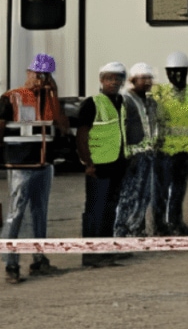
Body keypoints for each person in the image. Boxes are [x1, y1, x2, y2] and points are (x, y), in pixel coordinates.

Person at [1, 53, 67, 282]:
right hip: (21, 165)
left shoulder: (50, 99)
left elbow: (63, 127)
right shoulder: (12, 97)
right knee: (16, 213)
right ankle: (11, 264)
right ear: (28, 73)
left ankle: (39, 260)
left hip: (43, 165)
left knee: (40, 213)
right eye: (37, 74)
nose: (40, 79)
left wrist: (54, 94)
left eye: (45, 75)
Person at [77, 62, 128, 267]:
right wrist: (87, 162)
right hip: (98, 166)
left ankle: (105, 251)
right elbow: (81, 135)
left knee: (109, 210)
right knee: (95, 210)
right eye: (109, 78)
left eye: (117, 79)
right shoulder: (92, 103)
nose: (114, 82)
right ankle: (90, 254)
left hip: (116, 164)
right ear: (101, 80)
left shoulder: (120, 102)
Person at [152, 51, 188, 236]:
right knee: (161, 191)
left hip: (186, 150)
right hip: (165, 150)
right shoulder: (159, 93)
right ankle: (159, 225)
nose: (176, 76)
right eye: (172, 72)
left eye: (180, 72)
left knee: (178, 190)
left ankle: (176, 222)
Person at [114, 63, 159, 237]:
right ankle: (121, 230)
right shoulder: (126, 100)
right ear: (133, 80)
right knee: (128, 196)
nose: (147, 82)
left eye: (149, 78)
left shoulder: (150, 102)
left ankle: (136, 229)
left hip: (148, 154)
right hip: (132, 155)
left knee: (145, 195)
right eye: (143, 78)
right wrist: (126, 154)